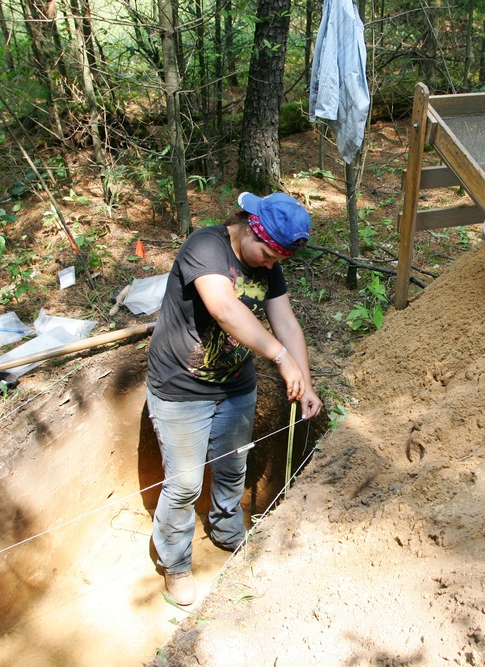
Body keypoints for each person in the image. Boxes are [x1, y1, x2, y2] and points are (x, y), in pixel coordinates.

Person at [146, 191, 323, 606]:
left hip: (234, 384)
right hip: (181, 387)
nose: (269, 264)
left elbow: (286, 323)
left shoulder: (269, 263)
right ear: (248, 226)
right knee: (185, 483)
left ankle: (227, 531)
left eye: (278, 259)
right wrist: (280, 358)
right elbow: (225, 307)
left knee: (232, 465)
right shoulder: (205, 247)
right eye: (265, 253)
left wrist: (307, 382)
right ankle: (175, 563)